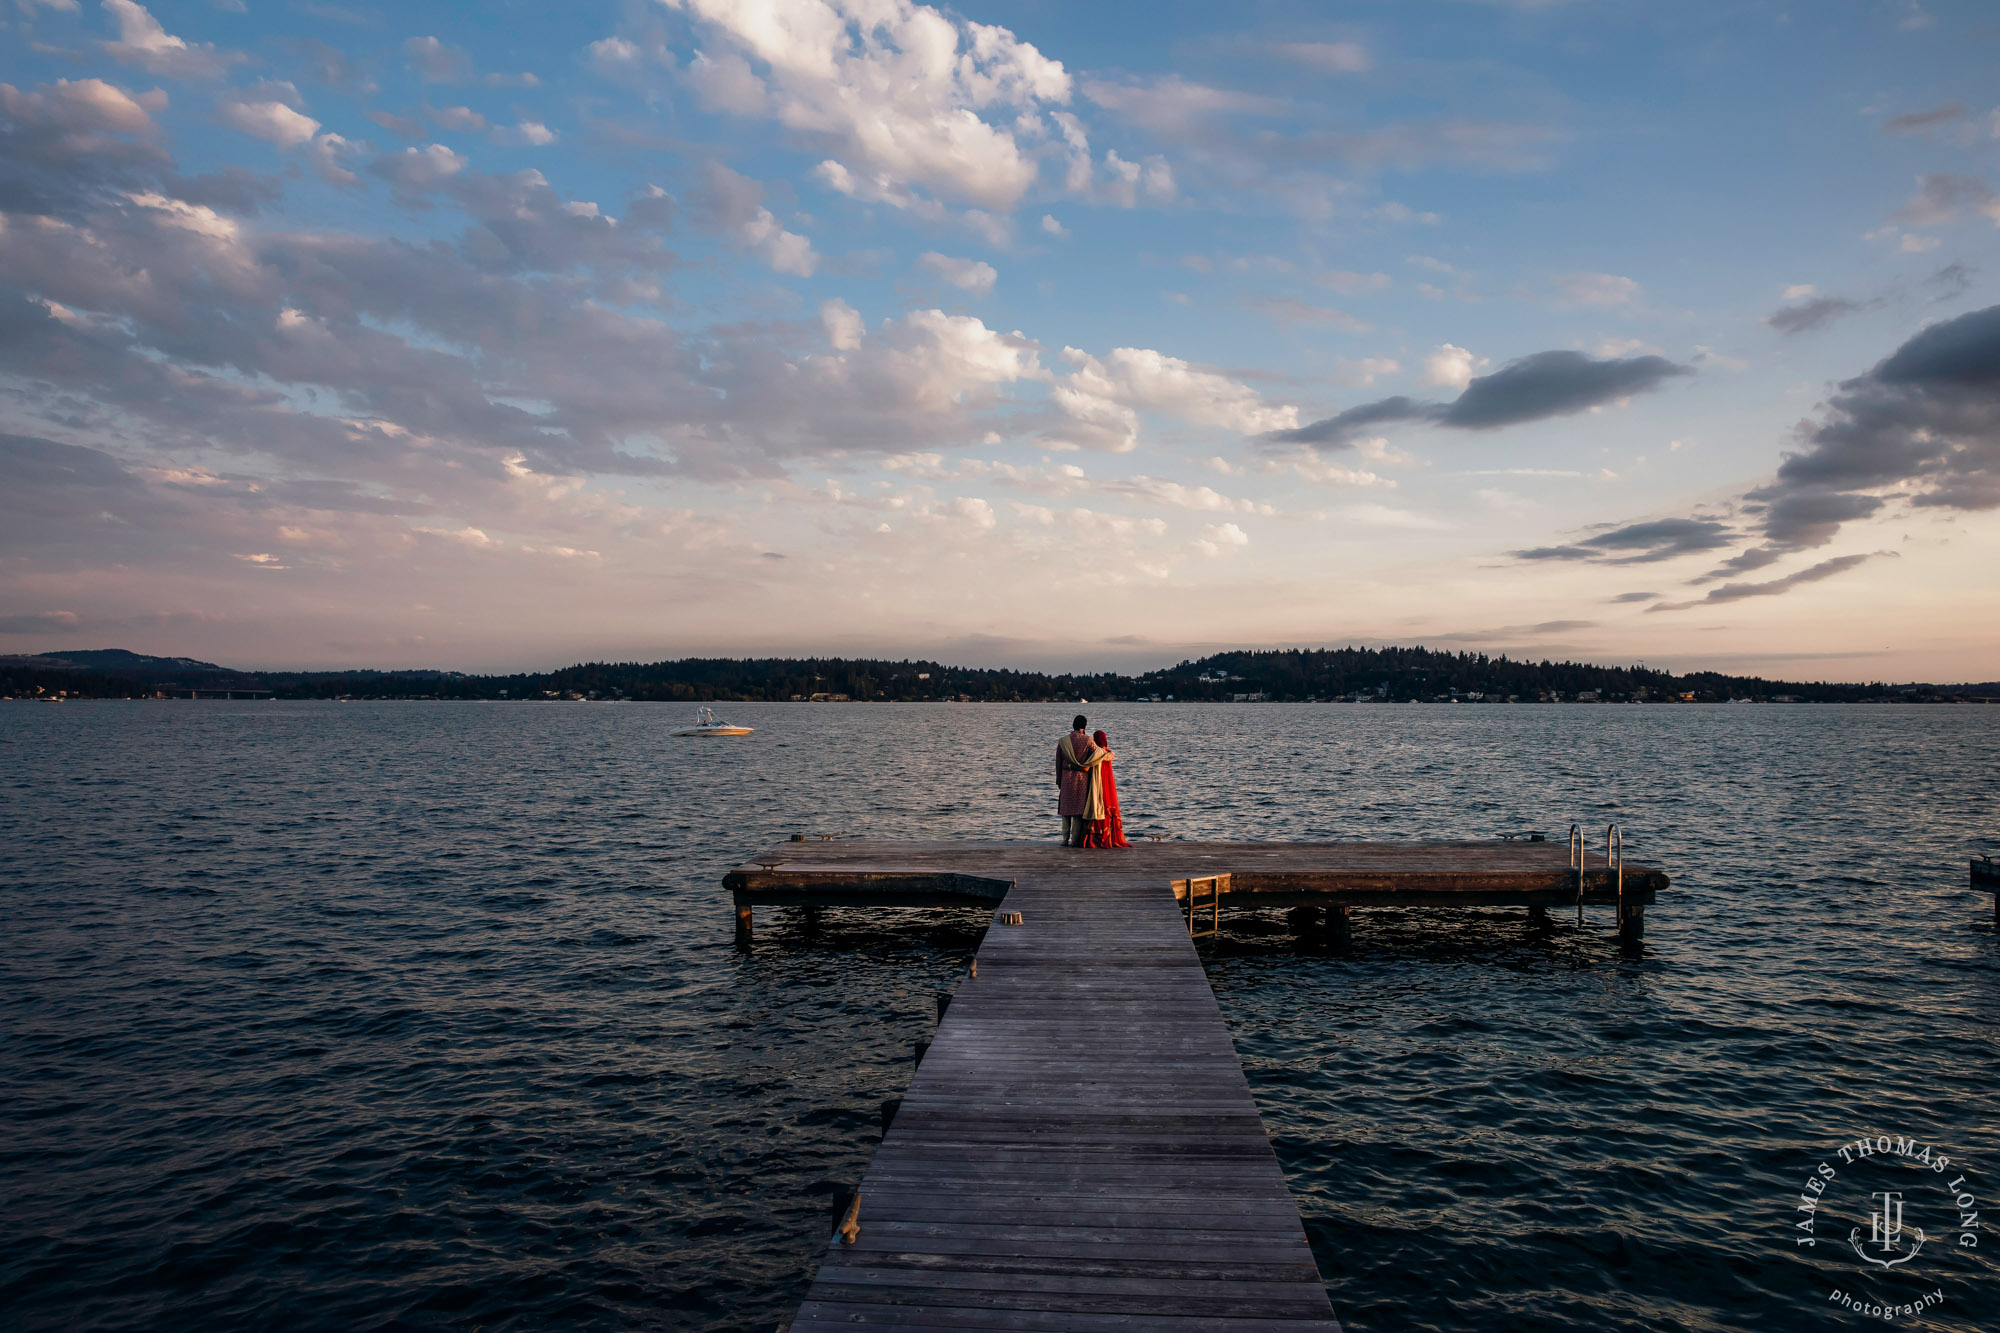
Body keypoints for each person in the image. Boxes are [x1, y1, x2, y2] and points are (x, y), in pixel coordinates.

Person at [1055, 714, 1108, 847]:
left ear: (1073, 725)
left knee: (1065, 811)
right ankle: (1074, 840)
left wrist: (1059, 781)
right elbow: (1099, 754)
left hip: (1066, 778)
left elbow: (1058, 763)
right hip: (1081, 779)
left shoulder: (1062, 742)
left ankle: (1064, 839)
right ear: (1084, 727)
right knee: (1078, 812)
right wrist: (1110, 754)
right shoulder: (1088, 740)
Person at [1079, 729, 1129, 849]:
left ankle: (1095, 838)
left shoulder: (1096, 753)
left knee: (1097, 807)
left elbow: (1087, 763)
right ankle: (1110, 836)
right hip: (1108, 786)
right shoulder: (1108, 753)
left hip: (1098, 785)